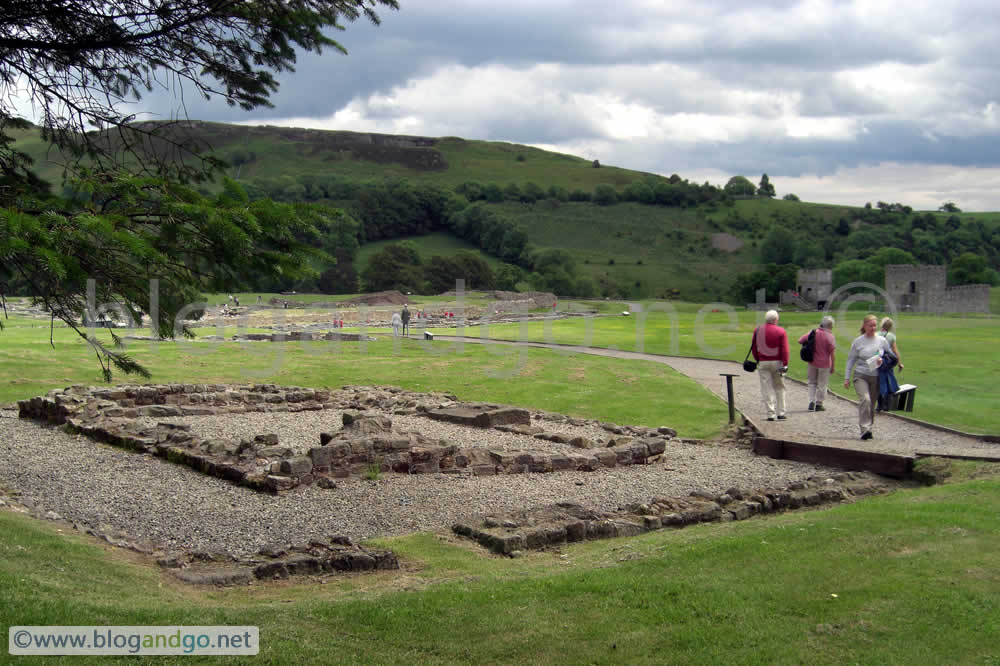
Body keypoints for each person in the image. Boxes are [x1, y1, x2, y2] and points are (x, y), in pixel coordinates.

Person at [844, 314, 891, 440]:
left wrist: (885, 361)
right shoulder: (858, 341)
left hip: (876, 377)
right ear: (864, 326)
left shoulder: (882, 341)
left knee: (872, 404)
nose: (873, 328)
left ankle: (869, 428)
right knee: (866, 400)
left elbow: (890, 355)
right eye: (870, 325)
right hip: (861, 375)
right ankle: (864, 429)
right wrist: (847, 378)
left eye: (875, 325)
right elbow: (850, 360)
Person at [752, 310, 789, 421]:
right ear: (775, 320)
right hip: (778, 362)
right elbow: (785, 350)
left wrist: (758, 359)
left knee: (766, 388)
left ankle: (770, 414)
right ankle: (781, 412)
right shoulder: (781, 331)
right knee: (780, 387)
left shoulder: (757, 330)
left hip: (763, 362)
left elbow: (754, 348)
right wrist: (785, 362)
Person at [799, 315, 836, 412]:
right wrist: (833, 366)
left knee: (812, 383)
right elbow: (832, 353)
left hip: (812, 362)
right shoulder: (830, 337)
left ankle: (811, 401)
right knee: (822, 384)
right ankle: (819, 404)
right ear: (830, 325)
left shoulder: (814, 333)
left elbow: (800, 340)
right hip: (825, 364)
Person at [876, 317, 904, 411]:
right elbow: (895, 351)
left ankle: (879, 405)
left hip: (877, 361)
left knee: (879, 381)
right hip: (888, 362)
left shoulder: (876, 335)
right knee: (889, 381)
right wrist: (899, 363)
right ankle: (886, 405)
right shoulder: (891, 336)